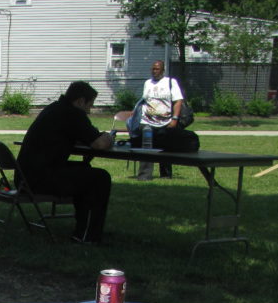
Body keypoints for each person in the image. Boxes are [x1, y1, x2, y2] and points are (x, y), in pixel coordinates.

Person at [16, 81, 114, 244]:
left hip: (26, 176)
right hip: (41, 178)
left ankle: (82, 228)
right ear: (80, 101)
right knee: (100, 178)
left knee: (85, 170)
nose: (89, 111)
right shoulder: (72, 114)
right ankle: (89, 235)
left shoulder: (54, 108)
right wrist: (110, 137)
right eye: (90, 105)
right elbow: (99, 143)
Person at [137, 60, 184, 181]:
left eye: (157, 69)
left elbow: (178, 101)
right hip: (147, 121)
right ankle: (144, 175)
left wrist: (174, 119)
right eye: (153, 69)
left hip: (165, 122)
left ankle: (166, 174)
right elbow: (144, 101)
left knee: (164, 148)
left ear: (163, 70)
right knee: (146, 148)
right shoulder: (148, 83)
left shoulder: (170, 82)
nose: (154, 71)